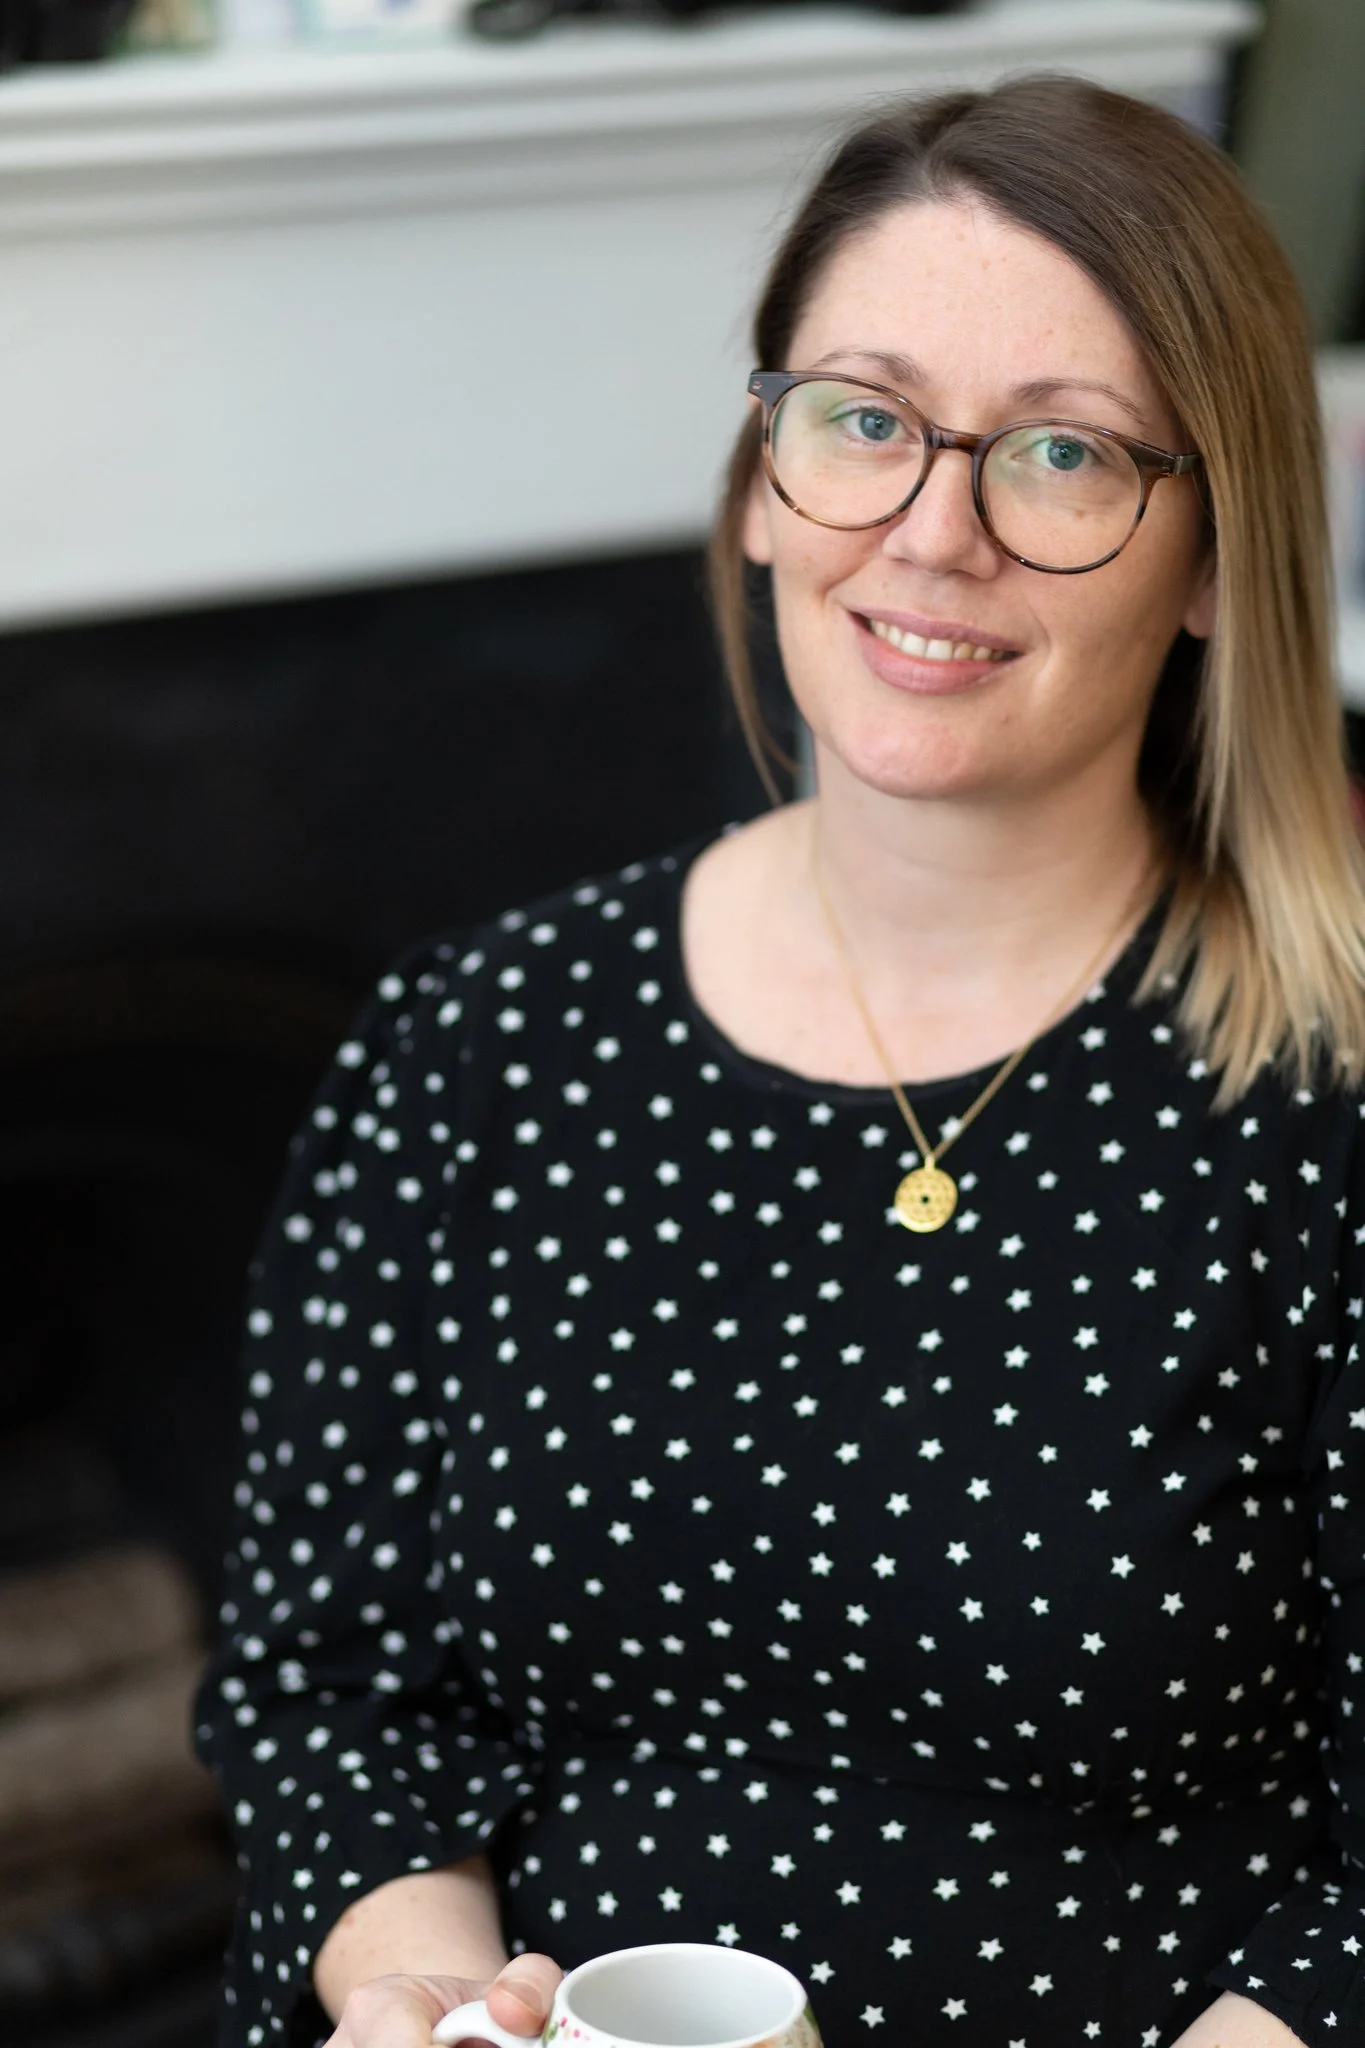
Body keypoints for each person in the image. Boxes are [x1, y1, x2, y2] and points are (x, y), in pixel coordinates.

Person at [195, 74, 1365, 2048]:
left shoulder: (1325, 1106)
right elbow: (331, 1692)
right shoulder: (474, 1043)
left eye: (1063, 454)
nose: (932, 531)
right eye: (864, 420)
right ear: (760, 480)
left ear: (1209, 558)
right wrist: (420, 1995)